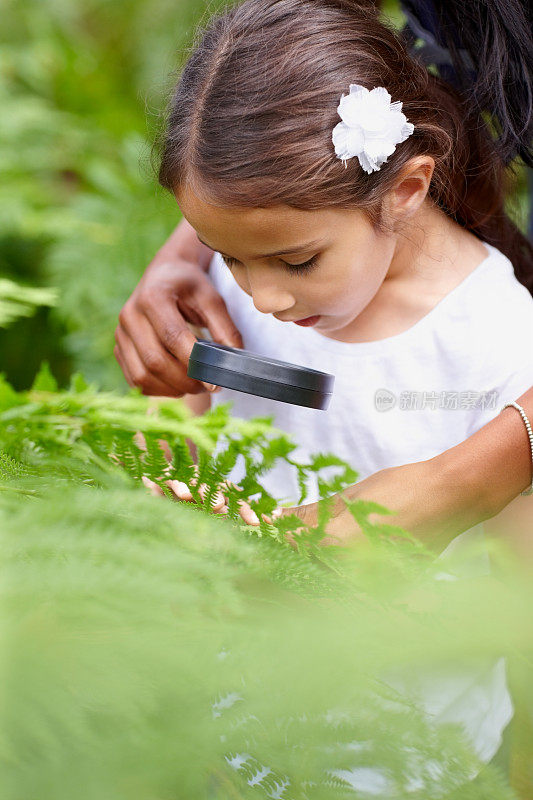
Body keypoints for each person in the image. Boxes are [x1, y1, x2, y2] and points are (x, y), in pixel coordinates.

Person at [114, 0, 533, 788]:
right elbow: (184, 428)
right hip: (242, 716)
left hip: (416, 748)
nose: (261, 298)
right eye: (224, 257)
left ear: (405, 188)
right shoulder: (244, 268)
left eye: (297, 263)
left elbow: (518, 594)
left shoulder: (493, 336)